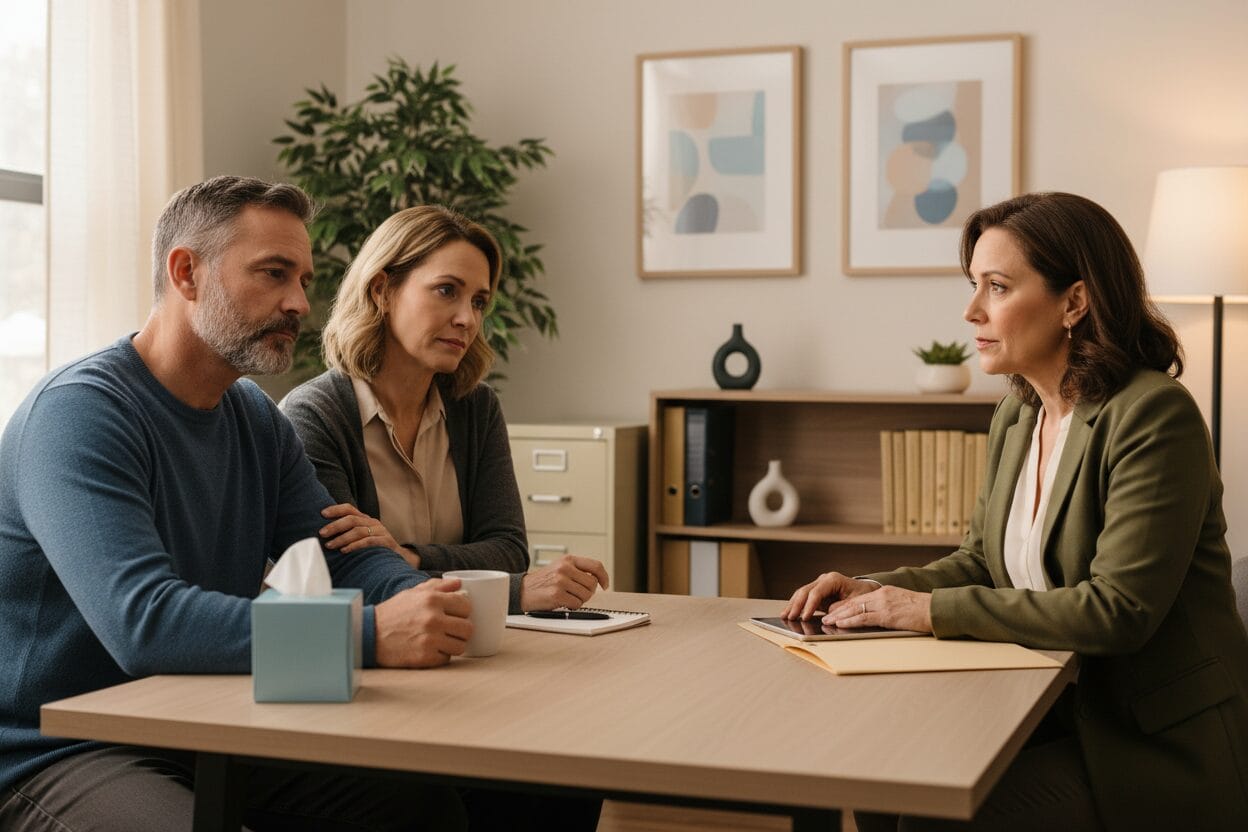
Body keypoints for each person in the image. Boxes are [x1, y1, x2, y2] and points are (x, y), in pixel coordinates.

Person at [0, 176, 473, 831]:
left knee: (423, 806)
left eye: (304, 280)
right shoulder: (80, 414)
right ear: (186, 272)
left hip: (203, 723)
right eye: (274, 274)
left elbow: (341, 551)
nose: (299, 302)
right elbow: (145, 624)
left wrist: (424, 603)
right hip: (56, 750)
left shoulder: (253, 415)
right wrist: (368, 634)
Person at [784, 193, 1248, 831]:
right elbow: (979, 561)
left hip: (1146, 740)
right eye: (975, 285)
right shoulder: (1018, 412)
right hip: (1045, 706)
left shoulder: (1152, 414)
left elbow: (1119, 611)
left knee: (931, 812)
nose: (972, 310)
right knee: (882, 773)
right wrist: (876, 589)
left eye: (997, 287)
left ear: (1074, 302)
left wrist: (921, 611)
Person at [281, 205, 609, 615]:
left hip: (477, 642)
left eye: (478, 301)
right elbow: (348, 571)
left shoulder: (477, 408)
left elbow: (508, 552)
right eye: (446, 290)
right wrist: (511, 592)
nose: (467, 319)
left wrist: (411, 557)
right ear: (382, 290)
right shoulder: (314, 414)